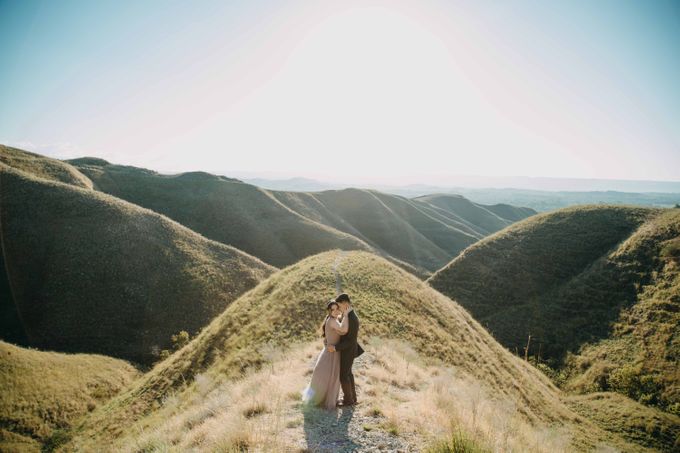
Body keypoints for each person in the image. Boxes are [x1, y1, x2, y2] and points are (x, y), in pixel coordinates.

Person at [301, 300, 348, 410]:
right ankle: (317, 399)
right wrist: (346, 315)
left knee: (327, 377)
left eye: (337, 308)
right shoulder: (332, 321)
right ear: (329, 311)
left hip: (331, 352)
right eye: (333, 309)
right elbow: (343, 329)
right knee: (325, 377)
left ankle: (321, 398)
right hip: (330, 353)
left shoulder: (333, 319)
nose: (336, 311)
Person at [327, 293, 362, 406]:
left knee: (343, 375)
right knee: (348, 374)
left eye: (339, 306)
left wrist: (336, 348)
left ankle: (348, 400)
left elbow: (350, 341)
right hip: (348, 350)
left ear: (345, 303)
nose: (339, 309)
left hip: (348, 350)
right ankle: (353, 398)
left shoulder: (352, 318)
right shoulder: (349, 314)